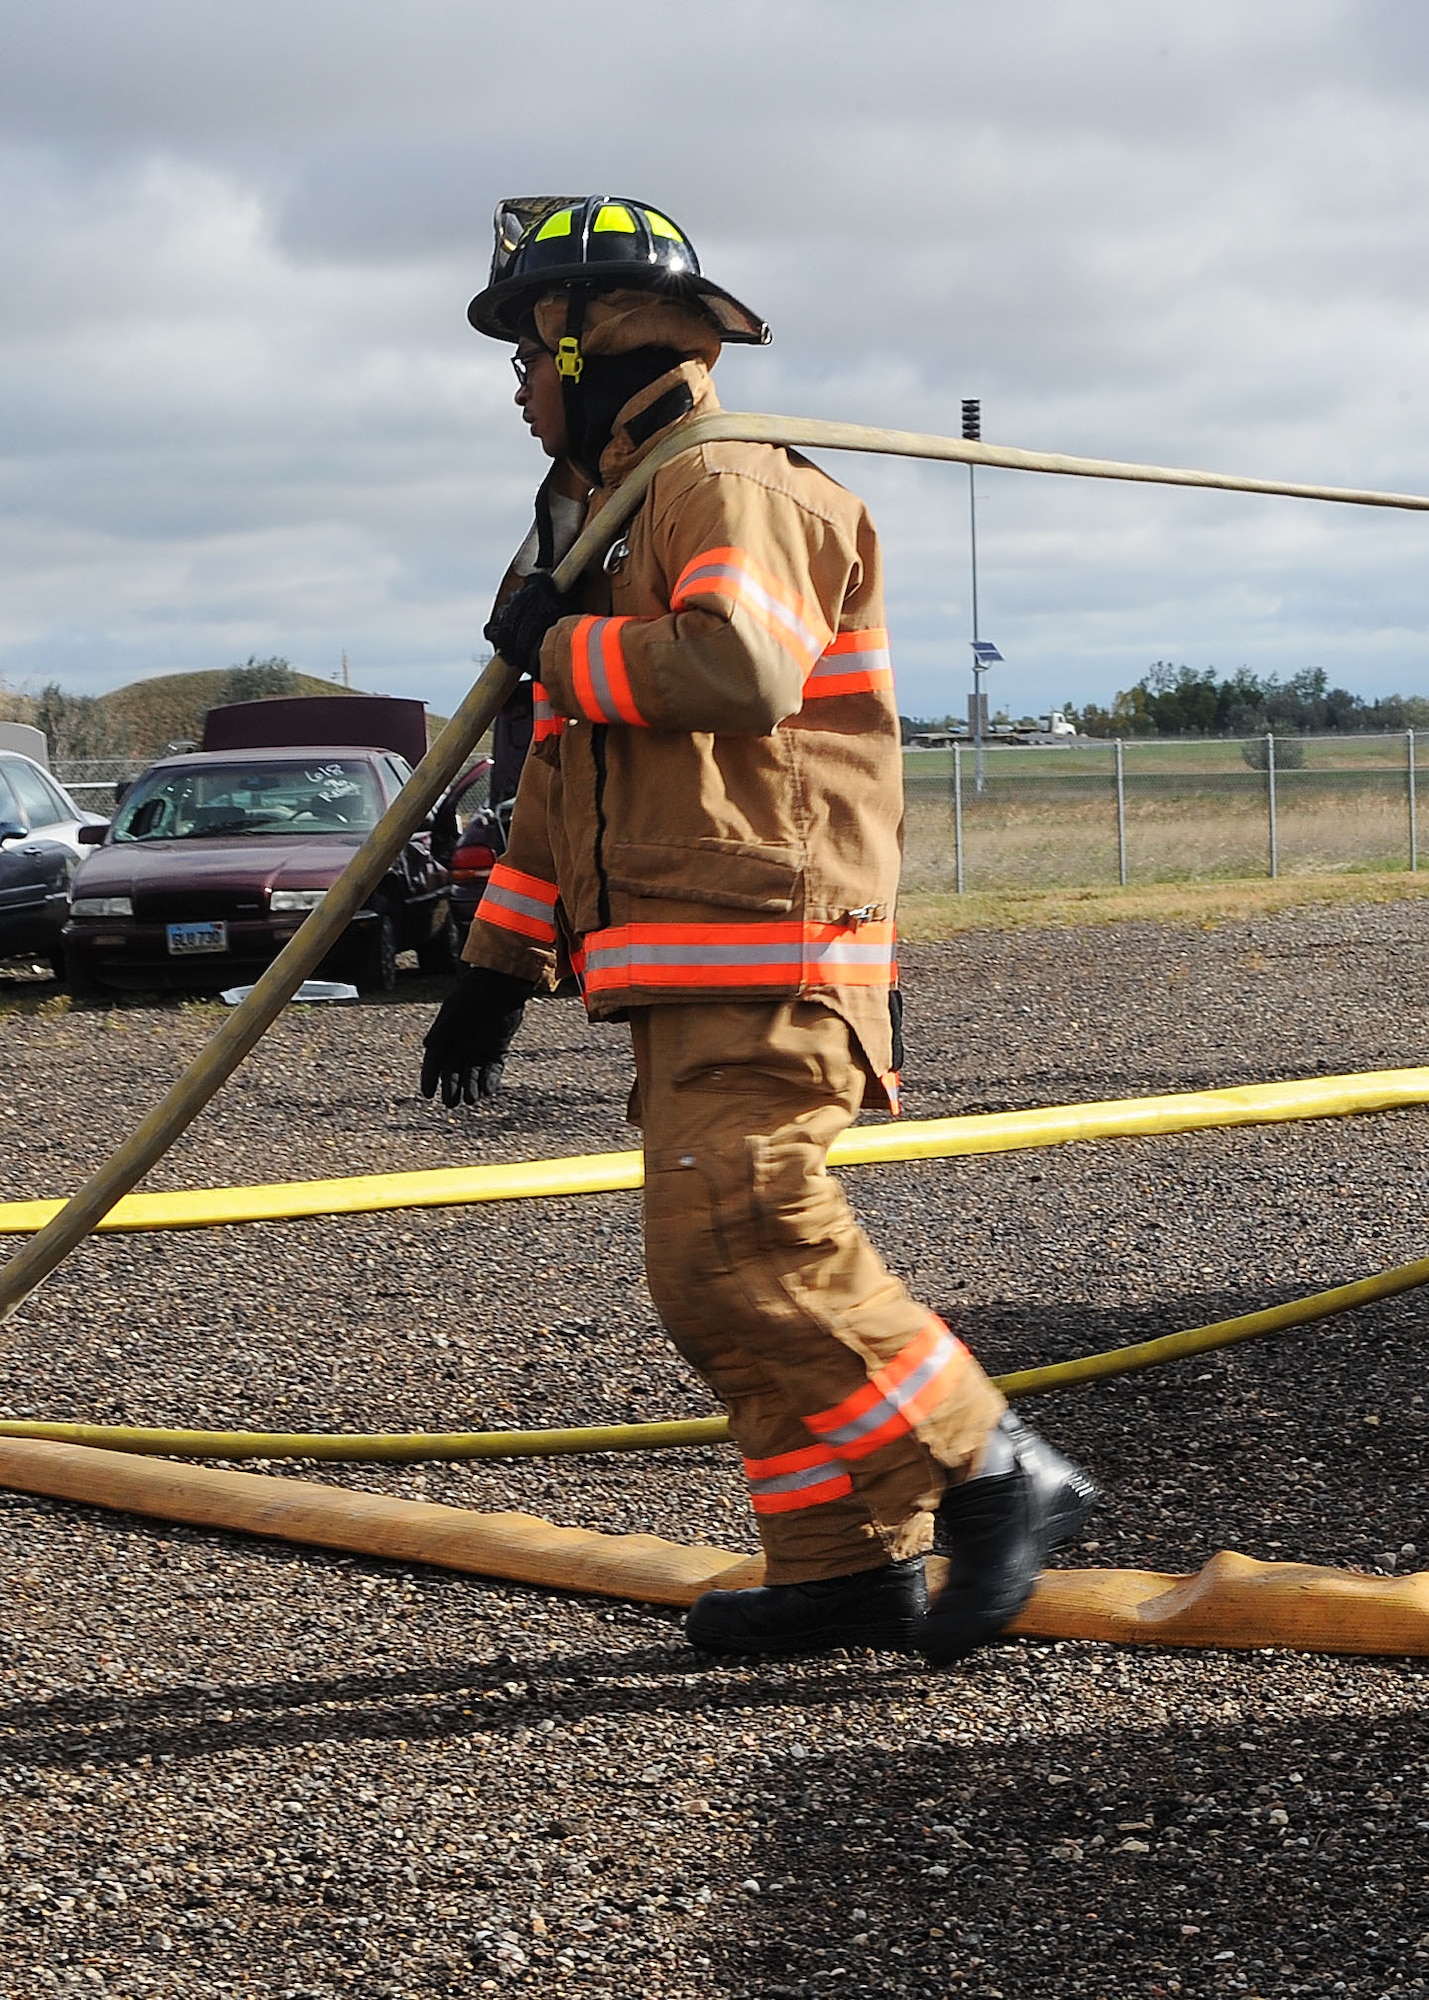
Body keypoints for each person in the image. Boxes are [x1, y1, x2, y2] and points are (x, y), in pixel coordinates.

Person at [422, 195, 1097, 1663]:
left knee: (754, 1240)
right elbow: (566, 767)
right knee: (703, 1277)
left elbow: (739, 667)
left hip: (766, 942)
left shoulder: (722, 482)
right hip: (681, 962)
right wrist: (492, 965)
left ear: (585, 335)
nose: (514, 395)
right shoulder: (605, 518)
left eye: (519, 361)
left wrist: (555, 642)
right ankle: (837, 1563)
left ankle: (991, 1465)